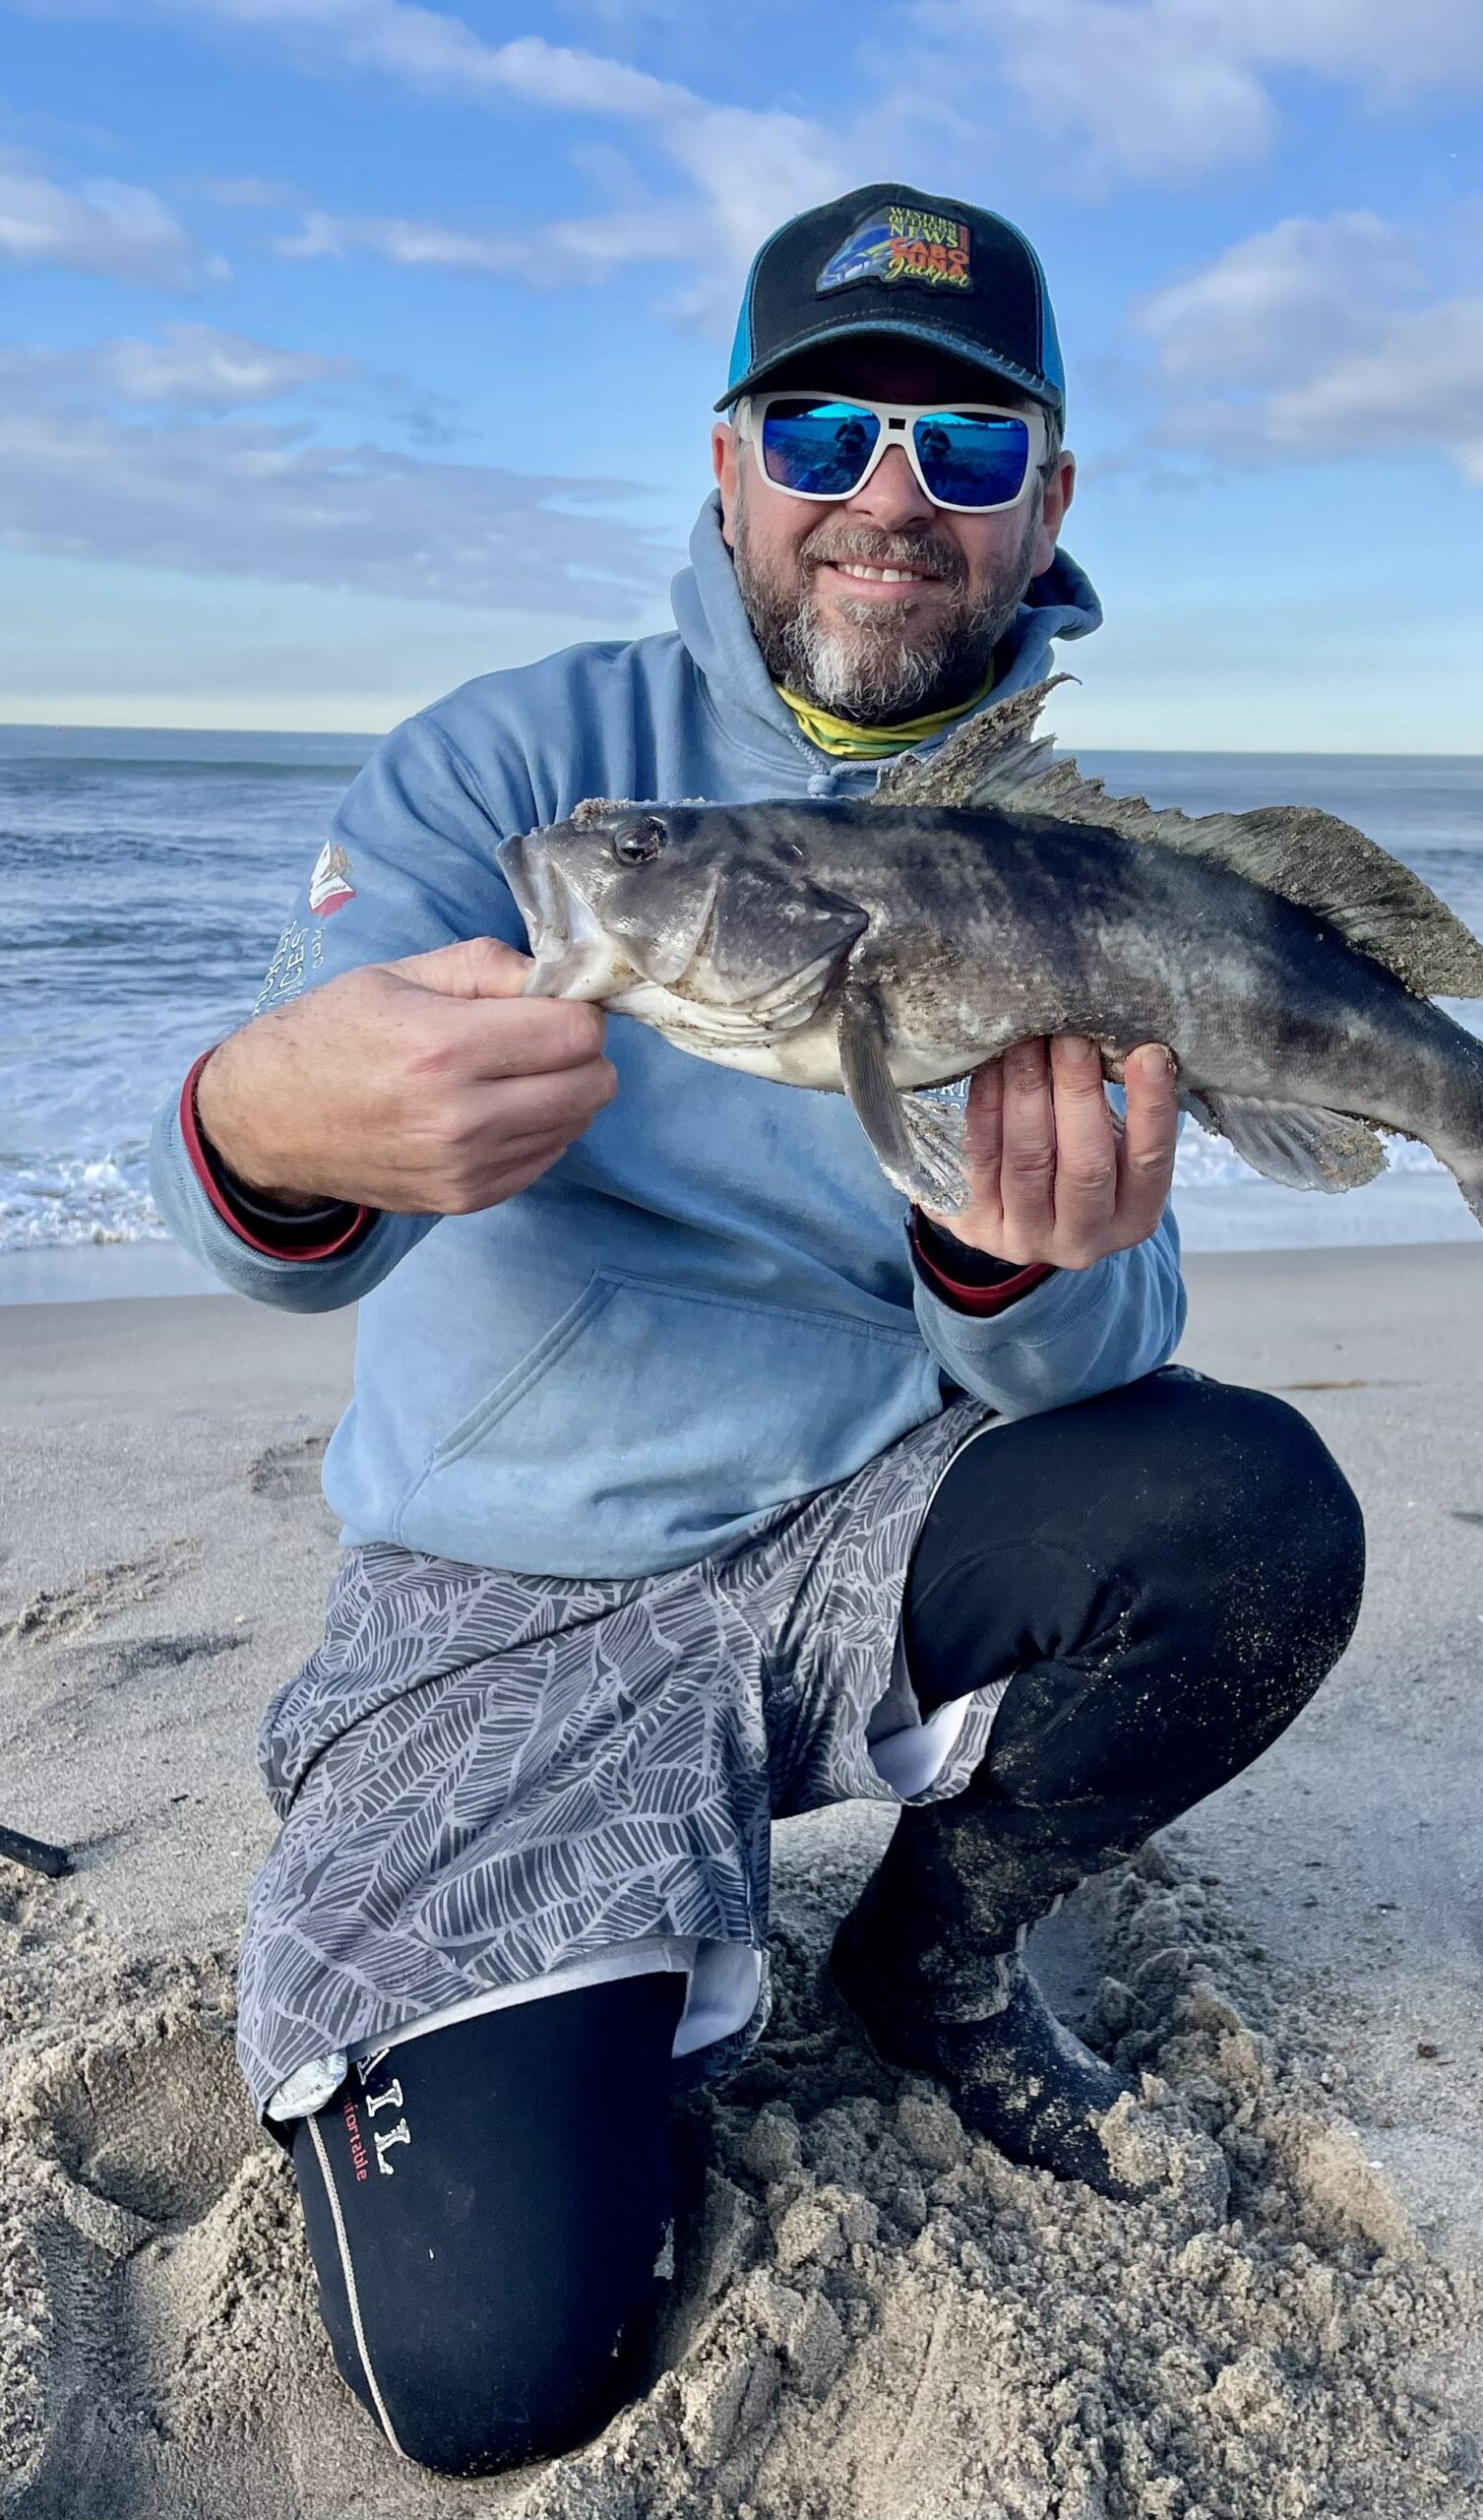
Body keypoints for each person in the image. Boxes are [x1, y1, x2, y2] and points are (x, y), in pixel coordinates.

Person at [150, 184, 1366, 2479]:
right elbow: (285, 1217)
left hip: (857, 1542)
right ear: (726, 463)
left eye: (969, 447)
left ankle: (936, 1947)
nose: (888, 494)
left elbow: (1109, 1369)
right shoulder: (515, 784)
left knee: (1246, 1506)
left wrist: (1015, 1259)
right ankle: (578, 1972)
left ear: (1050, 503)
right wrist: (263, 1112)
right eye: (824, 423)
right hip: (502, 1598)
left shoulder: (1074, 859)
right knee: (497, 2361)